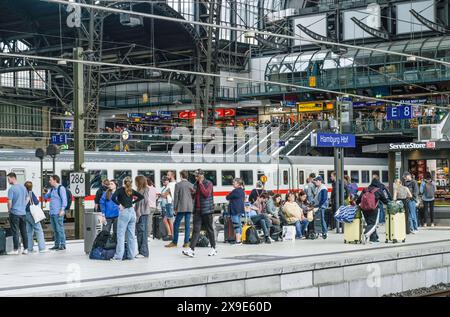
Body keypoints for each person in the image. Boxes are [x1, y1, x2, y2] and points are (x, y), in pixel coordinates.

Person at [182, 169, 217, 258]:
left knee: (209, 229)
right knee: (196, 230)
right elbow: (195, 196)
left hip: (207, 210)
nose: (195, 177)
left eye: (197, 176)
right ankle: (191, 250)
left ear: (201, 176)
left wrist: (200, 183)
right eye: (195, 176)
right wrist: (192, 193)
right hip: (197, 211)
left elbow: (206, 194)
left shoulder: (209, 183)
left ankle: (213, 248)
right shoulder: (195, 184)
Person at [111, 177, 144, 261]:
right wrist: (132, 203)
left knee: (121, 235)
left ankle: (118, 257)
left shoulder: (120, 190)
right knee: (131, 236)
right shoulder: (131, 190)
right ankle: (131, 255)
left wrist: (119, 205)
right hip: (132, 212)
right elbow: (141, 197)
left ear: (123, 182)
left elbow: (112, 198)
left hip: (124, 212)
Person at [166, 170, 194, 248]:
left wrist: (175, 208)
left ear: (181, 176)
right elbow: (193, 196)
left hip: (181, 207)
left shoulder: (178, 185)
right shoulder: (191, 185)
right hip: (189, 207)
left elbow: (176, 197)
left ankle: (174, 242)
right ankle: (186, 243)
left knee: (176, 224)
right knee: (187, 225)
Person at [356, 179, 389, 243]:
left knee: (369, 223)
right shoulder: (378, 190)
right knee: (373, 224)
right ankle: (366, 234)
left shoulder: (365, 189)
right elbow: (384, 200)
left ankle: (374, 238)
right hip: (373, 209)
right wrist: (390, 203)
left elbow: (359, 199)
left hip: (364, 209)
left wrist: (356, 204)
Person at [6, 172, 29, 255]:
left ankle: (16, 250)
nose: (8, 181)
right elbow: (28, 198)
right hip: (23, 213)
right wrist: (23, 206)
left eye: (8, 179)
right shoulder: (23, 187)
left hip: (14, 213)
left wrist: (9, 210)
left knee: (15, 231)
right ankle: (26, 249)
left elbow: (9, 202)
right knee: (24, 231)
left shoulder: (11, 189)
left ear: (13, 178)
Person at [43, 175, 67, 251]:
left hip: (58, 212)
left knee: (60, 229)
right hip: (52, 212)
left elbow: (64, 200)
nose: (49, 181)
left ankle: (62, 245)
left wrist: (62, 209)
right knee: (55, 230)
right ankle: (56, 245)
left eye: (50, 180)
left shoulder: (61, 188)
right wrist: (44, 193)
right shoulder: (52, 189)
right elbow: (46, 197)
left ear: (55, 180)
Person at [24, 181, 47, 253]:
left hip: (25, 214)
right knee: (38, 229)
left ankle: (29, 248)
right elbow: (36, 202)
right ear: (31, 187)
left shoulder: (23, 194)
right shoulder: (30, 193)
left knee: (29, 231)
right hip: (31, 214)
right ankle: (42, 248)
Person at [134, 175, 151, 258]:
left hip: (142, 213)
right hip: (141, 213)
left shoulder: (144, 190)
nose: (135, 183)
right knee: (140, 232)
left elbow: (143, 202)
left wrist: (138, 213)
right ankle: (141, 251)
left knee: (142, 232)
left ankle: (144, 252)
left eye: (136, 181)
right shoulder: (140, 190)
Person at [225, 178, 245, 245]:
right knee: (239, 225)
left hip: (234, 210)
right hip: (239, 210)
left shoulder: (235, 191)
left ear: (238, 184)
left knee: (236, 225)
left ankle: (238, 241)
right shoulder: (242, 190)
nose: (233, 183)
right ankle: (240, 239)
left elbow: (227, 197)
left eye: (234, 182)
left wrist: (228, 195)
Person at [160, 176, 174, 241]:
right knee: (169, 221)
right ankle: (171, 235)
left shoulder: (169, 187)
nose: (164, 182)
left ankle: (170, 235)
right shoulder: (164, 188)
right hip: (165, 206)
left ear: (168, 181)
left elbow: (165, 195)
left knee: (167, 220)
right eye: (163, 180)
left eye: (165, 180)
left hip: (168, 205)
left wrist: (160, 195)